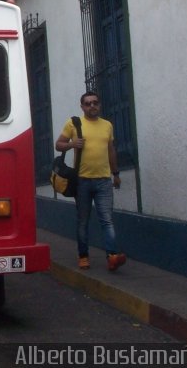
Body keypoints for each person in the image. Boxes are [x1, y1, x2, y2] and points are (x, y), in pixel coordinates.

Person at [55, 91, 126, 272]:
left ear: (99, 105)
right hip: (82, 181)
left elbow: (111, 150)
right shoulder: (74, 124)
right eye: (87, 103)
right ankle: (83, 256)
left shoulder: (107, 125)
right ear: (82, 107)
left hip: (103, 181)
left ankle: (112, 256)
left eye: (95, 102)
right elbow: (58, 144)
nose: (92, 106)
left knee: (107, 220)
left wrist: (115, 173)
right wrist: (72, 144)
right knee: (83, 221)